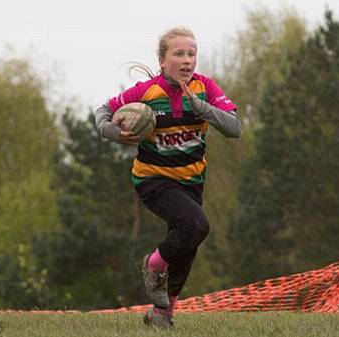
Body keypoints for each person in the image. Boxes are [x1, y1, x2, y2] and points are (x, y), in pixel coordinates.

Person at [95, 27, 241, 328]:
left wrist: (204, 109)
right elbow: (103, 113)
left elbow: (234, 128)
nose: (187, 60)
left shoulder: (206, 89)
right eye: (179, 53)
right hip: (153, 179)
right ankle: (153, 265)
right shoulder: (147, 91)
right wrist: (112, 131)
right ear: (163, 61)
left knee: (189, 243)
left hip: (192, 181)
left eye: (192, 53)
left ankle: (162, 315)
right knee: (197, 225)